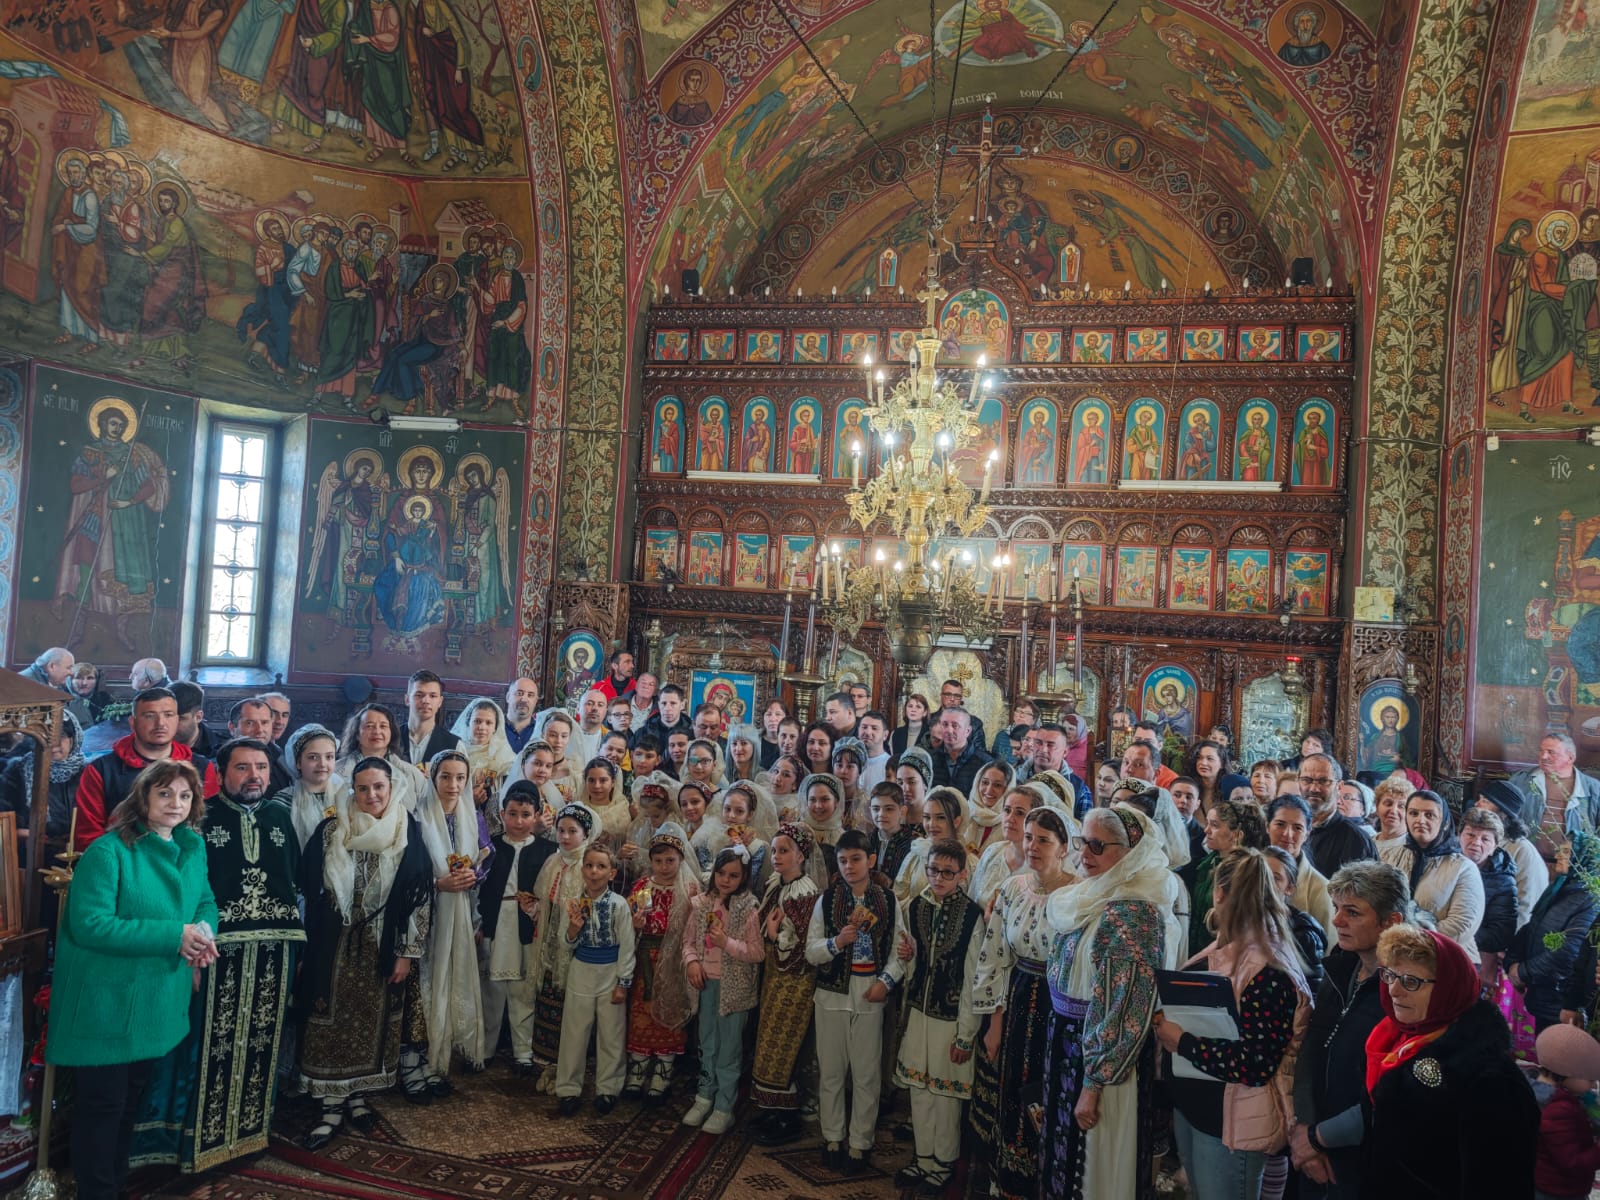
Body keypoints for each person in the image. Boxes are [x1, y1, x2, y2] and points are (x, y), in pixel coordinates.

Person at [50, 759, 217, 1200]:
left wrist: (203, 933)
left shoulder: (192, 847)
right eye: (165, 793)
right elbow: (91, 924)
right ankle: (96, 1192)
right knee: (102, 1108)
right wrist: (175, 935)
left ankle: (115, 1187)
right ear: (143, 796)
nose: (175, 803)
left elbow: (204, 900)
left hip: (155, 998)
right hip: (108, 1001)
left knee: (128, 1105)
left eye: (185, 796)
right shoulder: (109, 851)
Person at [133, 738, 302, 1174]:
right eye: (242, 767)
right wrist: (189, 954)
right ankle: (189, 1144)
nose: (254, 776)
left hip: (272, 950)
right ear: (222, 774)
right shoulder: (199, 818)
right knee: (202, 1044)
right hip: (212, 952)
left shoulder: (280, 816)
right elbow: (185, 892)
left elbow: (293, 881)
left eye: (261, 767)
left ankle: (246, 1136)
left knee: (260, 1044)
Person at [1157, 849, 1311, 1200]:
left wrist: (1183, 1042)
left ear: (1219, 894)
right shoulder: (1230, 947)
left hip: (1232, 1125)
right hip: (1199, 1109)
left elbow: (1256, 1064)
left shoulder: (1269, 970)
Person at [1042, 805, 1178, 1200]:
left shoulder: (1135, 912)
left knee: (1095, 1167)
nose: (1085, 853)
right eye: (1083, 841)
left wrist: (1094, 1083)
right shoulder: (1088, 895)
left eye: (1098, 846)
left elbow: (1126, 1008)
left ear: (1131, 853)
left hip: (1106, 1063)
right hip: (1070, 1043)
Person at [297, 757, 435, 1146]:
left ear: (392, 787)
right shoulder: (331, 830)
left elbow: (419, 897)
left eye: (379, 787)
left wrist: (406, 952)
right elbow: (306, 890)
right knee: (329, 1020)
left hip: (381, 945)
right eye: (362, 788)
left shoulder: (407, 830)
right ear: (352, 790)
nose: (371, 795)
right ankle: (330, 1106)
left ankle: (357, 1098)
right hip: (333, 946)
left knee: (373, 1022)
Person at [1361, 925, 1538, 1199]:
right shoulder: (1395, 1038)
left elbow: (1499, 1184)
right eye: (1390, 975)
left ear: (1448, 989)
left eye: (1411, 981)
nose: (1394, 990)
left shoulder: (1490, 1079)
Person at [1289, 861, 1412, 1198]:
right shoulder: (1342, 966)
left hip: (1369, 1157)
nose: (1337, 920)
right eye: (1337, 908)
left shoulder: (1408, 990)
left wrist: (1319, 1138)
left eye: (1353, 912)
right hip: (1315, 1143)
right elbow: (1313, 1048)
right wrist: (1305, 1130)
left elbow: (1393, 1094)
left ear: (1391, 921)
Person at [970, 808, 1076, 1200]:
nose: (1032, 846)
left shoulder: (1078, 895)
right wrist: (994, 1022)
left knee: (1051, 1092)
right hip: (1017, 997)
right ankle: (1010, 1181)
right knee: (1014, 1090)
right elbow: (995, 955)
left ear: (1063, 847)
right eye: (1029, 837)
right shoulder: (1013, 888)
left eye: (1044, 840)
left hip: (1060, 1006)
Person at [875, 838, 985, 1196]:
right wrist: (907, 957)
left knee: (945, 1096)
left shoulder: (971, 916)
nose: (939, 878)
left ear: (962, 875)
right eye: (933, 870)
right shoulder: (916, 907)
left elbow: (973, 978)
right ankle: (923, 1158)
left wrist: (966, 1034)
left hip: (951, 1018)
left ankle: (944, 1161)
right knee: (920, 1091)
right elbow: (908, 961)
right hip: (919, 1012)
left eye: (948, 873)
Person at [806, 828, 895, 1175]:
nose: (849, 866)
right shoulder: (827, 900)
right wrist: (837, 942)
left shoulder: (888, 901)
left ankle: (860, 1142)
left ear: (870, 860)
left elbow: (901, 950)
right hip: (832, 994)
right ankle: (832, 1137)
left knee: (866, 1073)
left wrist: (885, 982)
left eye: (856, 859)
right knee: (830, 1071)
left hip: (870, 992)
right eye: (842, 861)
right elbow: (811, 951)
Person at [416, 750, 490, 1094]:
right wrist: (437, 883)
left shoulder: (473, 817)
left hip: (461, 909)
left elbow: (485, 860)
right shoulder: (417, 817)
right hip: (427, 913)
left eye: (461, 777)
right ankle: (425, 1057)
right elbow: (407, 870)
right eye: (445, 776)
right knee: (429, 978)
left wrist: (473, 876)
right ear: (433, 778)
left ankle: (452, 1049)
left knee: (456, 972)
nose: (453, 784)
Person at [676, 846, 764, 1135]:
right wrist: (692, 962)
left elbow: (756, 952)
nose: (726, 880)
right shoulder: (702, 904)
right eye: (721, 873)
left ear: (744, 877)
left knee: (729, 1048)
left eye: (734, 875)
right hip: (706, 984)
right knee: (708, 1042)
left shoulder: (748, 909)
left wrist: (726, 942)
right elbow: (688, 941)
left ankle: (724, 1105)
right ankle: (704, 1096)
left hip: (734, 989)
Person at [748, 822, 822, 1147]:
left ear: (801, 855)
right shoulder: (778, 884)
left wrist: (774, 936)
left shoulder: (804, 894)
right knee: (769, 1039)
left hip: (795, 980)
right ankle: (772, 1108)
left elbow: (803, 947)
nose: (776, 857)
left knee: (783, 1043)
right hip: (775, 975)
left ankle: (787, 1116)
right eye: (775, 851)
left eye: (784, 851)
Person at [75, 687, 219, 846]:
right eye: (150, 716)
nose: (160, 724)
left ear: (177, 720)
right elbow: (88, 834)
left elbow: (210, 824)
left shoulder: (201, 768)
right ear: (133, 722)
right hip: (121, 856)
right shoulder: (101, 770)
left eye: (168, 715)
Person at [480, 782, 558, 1076]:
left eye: (526, 814)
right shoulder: (490, 847)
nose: (519, 821)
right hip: (496, 924)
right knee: (491, 989)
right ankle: (485, 1048)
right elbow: (481, 891)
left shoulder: (547, 851)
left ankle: (523, 1052)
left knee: (523, 990)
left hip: (526, 927)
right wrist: (480, 924)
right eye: (512, 814)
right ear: (502, 814)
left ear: (537, 815)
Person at [553, 842, 636, 1116]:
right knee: (574, 1033)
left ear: (612, 873)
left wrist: (623, 982)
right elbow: (564, 944)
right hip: (582, 972)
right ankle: (568, 1089)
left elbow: (627, 946)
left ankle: (608, 1088)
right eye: (589, 866)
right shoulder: (574, 904)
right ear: (582, 870)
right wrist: (573, 930)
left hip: (610, 973)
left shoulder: (619, 905)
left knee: (611, 1034)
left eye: (601, 866)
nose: (594, 871)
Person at [621, 821, 699, 1102]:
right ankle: (639, 1066)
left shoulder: (689, 890)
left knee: (669, 1009)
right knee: (641, 1012)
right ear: (650, 861)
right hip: (645, 960)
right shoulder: (644, 886)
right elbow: (629, 919)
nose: (664, 867)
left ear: (681, 860)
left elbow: (695, 927)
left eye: (670, 860)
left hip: (674, 960)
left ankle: (664, 1069)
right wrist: (635, 924)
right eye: (658, 861)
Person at [1507, 833, 1600, 1033]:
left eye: (1566, 852)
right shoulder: (1561, 889)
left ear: (1583, 858)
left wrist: (1524, 971)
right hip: (1543, 994)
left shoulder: (1590, 900)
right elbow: (1532, 927)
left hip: (1560, 999)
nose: (1558, 855)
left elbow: (1569, 950)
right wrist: (1513, 962)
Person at [1380, 789, 1486, 962]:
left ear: (1444, 822)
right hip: (1393, 954)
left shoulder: (1464, 868)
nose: (1420, 820)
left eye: (1429, 815)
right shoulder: (1390, 856)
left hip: (1444, 958)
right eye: (1413, 813)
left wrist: (1411, 940)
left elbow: (1462, 924)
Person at [1530, 1023, 1600, 1200]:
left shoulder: (1565, 1098)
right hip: (1558, 1191)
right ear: (1566, 1072)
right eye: (1590, 1079)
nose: (1594, 1085)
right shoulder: (1557, 1111)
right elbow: (1573, 1163)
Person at [1189, 798, 1268, 954]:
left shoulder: (1246, 871)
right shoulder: (1207, 863)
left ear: (1236, 834)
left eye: (1215, 825)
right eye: (1207, 823)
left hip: (1225, 953)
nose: (1206, 830)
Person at [1512, 733, 1600, 864]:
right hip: (1527, 862)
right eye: (1541, 751)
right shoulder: (1521, 780)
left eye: (1551, 752)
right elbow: (1503, 819)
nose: (1543, 756)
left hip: (1575, 867)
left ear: (1570, 758)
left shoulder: (1593, 789)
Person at [1459, 808, 1519, 992]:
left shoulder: (1504, 881)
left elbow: (1500, 934)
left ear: (1495, 846)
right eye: (1470, 834)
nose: (1476, 843)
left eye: (1485, 839)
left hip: (1474, 963)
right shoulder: (1444, 863)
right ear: (1459, 836)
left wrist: (1457, 934)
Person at [1475, 779, 1550, 928]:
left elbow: (1527, 906)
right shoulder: (1477, 842)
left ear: (1503, 813)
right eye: (1479, 799)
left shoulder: (1522, 850)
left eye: (1485, 801)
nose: (1477, 805)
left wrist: (1505, 939)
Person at [0, 707, 83, 838]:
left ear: (74, 738)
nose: (54, 744)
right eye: (45, 737)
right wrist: (29, 835)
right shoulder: (18, 771)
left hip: (80, 845)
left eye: (61, 736)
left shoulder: (88, 771)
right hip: (31, 846)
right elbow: (4, 820)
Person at [1266, 795, 1336, 934]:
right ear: (1267, 826)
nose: (1288, 834)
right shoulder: (1248, 873)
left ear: (1307, 834)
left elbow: (1329, 942)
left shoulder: (1320, 889)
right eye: (1280, 824)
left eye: (1297, 828)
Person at [1264, 846, 1329, 993]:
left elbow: (1312, 991)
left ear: (1289, 889)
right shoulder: (1243, 923)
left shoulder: (1303, 933)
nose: (1266, 882)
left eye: (1276, 878)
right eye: (1262, 874)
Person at [1301, 754, 1377, 877]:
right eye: (1307, 780)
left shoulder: (1356, 840)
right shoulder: (1288, 828)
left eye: (1323, 781)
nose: (1314, 788)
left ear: (1339, 786)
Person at [336, 703, 419, 813]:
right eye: (369, 726)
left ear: (391, 732)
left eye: (383, 726)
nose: (377, 731)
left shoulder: (412, 774)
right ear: (357, 734)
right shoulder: (335, 773)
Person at [449, 697, 517, 823]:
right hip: (457, 819)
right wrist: (470, 801)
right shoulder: (454, 753)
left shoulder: (506, 758)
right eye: (477, 721)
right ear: (468, 723)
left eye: (488, 723)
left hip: (496, 821)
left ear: (495, 727)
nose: (482, 727)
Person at [404, 670, 458, 765]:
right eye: (419, 695)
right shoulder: (390, 738)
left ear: (440, 702)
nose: (426, 701)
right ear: (407, 700)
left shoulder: (455, 746)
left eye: (432, 696)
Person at [966, 759, 1014, 857]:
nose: (989, 790)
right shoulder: (963, 813)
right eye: (985, 782)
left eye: (997, 785)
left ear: (1008, 790)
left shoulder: (1011, 823)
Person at [1372, 773, 1413, 856]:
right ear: (1377, 806)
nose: (1393, 810)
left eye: (1401, 806)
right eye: (1388, 803)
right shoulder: (1367, 843)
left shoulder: (1414, 849)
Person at [991, 700, 1038, 765]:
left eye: (1027, 713)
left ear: (1034, 720)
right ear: (1013, 715)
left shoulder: (1038, 738)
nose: (1021, 715)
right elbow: (994, 760)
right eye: (1018, 711)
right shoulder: (1001, 736)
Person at [503, 677, 541, 755]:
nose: (524, 699)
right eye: (519, 693)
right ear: (508, 697)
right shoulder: (494, 726)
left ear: (536, 701)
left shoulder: (541, 731)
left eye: (530, 695)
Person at [890, 692, 933, 757]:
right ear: (905, 710)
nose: (913, 710)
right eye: (910, 706)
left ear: (925, 712)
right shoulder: (896, 733)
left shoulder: (930, 734)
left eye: (918, 707)